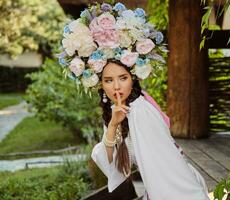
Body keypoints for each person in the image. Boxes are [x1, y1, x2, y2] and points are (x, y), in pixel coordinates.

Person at [58, 2, 210, 199]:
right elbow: (113, 163)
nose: (116, 87)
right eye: (108, 80)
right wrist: (113, 125)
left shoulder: (140, 111)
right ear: (99, 84)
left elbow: (162, 167)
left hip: (176, 188)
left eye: (123, 78)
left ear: (133, 79)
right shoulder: (119, 111)